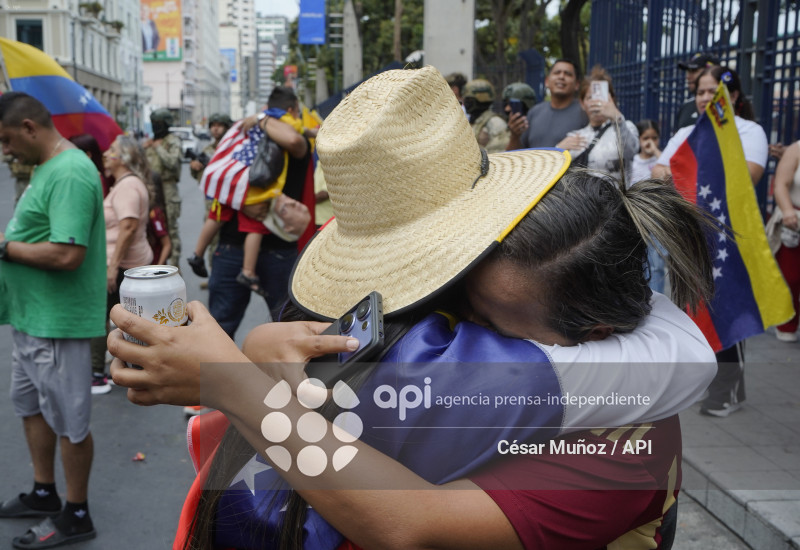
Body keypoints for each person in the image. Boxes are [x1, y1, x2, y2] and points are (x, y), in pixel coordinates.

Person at [108, 67, 717, 549]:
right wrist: (268, 352)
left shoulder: (621, 443)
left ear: (596, 330)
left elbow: (411, 525)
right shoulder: (496, 311)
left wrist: (234, 386)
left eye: (489, 325)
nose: (451, 334)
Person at [0, 92, 105, 548]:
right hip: (31, 320)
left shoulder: (71, 172)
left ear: (28, 127)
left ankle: (76, 512)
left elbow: (67, 253)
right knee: (30, 408)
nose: (5, 151)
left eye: (6, 140)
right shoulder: (48, 168)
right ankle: (45, 493)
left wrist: (4, 248)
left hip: (59, 324)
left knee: (70, 423)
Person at [653, 66, 768, 417]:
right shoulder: (686, 132)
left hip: (731, 239)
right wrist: (694, 171)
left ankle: (729, 390)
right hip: (689, 235)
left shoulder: (749, 131)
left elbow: (748, 173)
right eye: (700, 92)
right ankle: (701, 383)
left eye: (712, 92)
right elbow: (658, 172)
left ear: (732, 97)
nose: (704, 98)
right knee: (691, 308)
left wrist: (689, 169)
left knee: (728, 310)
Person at [188, 89, 313, 296]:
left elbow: (295, 140)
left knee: (221, 325)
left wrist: (260, 118)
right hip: (254, 243)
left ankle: (198, 255)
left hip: (262, 247)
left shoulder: (253, 127)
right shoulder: (266, 127)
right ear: (291, 110)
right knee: (283, 321)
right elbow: (297, 137)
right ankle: (245, 271)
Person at [89, 134, 154, 392]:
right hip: (129, 264)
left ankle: (98, 376)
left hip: (124, 266)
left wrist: (112, 267)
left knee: (99, 317)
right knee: (130, 320)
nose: (105, 154)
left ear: (124, 157)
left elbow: (128, 226)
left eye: (111, 150)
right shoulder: (125, 184)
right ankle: (133, 365)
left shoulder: (127, 186)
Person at [560, 66, 639, 182]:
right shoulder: (574, 136)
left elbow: (631, 152)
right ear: (582, 103)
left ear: (611, 99)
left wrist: (616, 117)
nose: (596, 102)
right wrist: (558, 149)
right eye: (590, 97)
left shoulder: (625, 126)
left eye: (600, 97)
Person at [187, 113, 233, 281]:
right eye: (213, 125)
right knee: (212, 240)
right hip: (211, 202)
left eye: (220, 125)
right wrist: (195, 168)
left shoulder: (233, 148)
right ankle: (215, 276)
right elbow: (200, 180)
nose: (215, 128)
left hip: (232, 202)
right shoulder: (206, 150)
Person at [509, 59, 588, 150]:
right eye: (557, 73)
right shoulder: (534, 112)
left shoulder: (585, 112)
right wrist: (514, 136)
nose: (561, 77)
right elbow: (516, 154)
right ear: (547, 81)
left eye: (568, 74)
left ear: (577, 84)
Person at [770, 140, 800, 341]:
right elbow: (780, 184)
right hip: (795, 222)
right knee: (791, 277)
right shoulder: (796, 149)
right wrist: (788, 211)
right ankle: (787, 324)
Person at [632, 120, 667, 294]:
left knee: (656, 264)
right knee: (638, 262)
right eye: (646, 138)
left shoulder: (660, 160)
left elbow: (668, 173)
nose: (650, 142)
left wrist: (656, 152)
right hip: (637, 216)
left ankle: (657, 299)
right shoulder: (633, 161)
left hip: (656, 218)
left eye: (654, 137)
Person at [143, 109, 182, 266]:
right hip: (152, 190)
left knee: (170, 230)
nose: (155, 127)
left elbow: (172, 163)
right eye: (153, 124)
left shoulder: (173, 141)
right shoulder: (150, 142)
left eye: (158, 124)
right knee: (154, 230)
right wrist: (144, 149)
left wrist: (158, 148)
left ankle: (174, 266)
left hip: (168, 188)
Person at [462, 79, 510, 153]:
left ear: (481, 100)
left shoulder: (495, 122)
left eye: (469, 99)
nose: (465, 103)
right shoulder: (471, 121)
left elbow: (498, 152)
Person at [674, 52, 719, 131]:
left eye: (694, 71)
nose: (688, 76)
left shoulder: (725, 106)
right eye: (688, 71)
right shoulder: (686, 107)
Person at [146, 172, 172, 265]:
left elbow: (167, 244)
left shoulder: (154, 214)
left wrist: (159, 267)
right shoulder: (144, 210)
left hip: (154, 268)